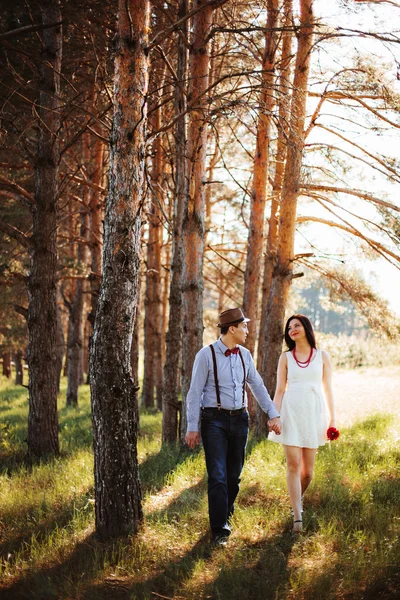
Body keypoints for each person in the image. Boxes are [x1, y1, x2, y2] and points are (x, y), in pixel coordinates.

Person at [185, 307, 282, 546]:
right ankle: (219, 530)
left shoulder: (245, 355)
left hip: (240, 420)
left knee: (233, 476)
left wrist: (273, 414)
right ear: (232, 329)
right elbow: (195, 392)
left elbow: (257, 386)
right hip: (213, 420)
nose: (247, 331)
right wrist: (191, 426)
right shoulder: (205, 355)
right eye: (244, 326)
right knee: (217, 476)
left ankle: (225, 515)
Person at [269, 314, 336, 534]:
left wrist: (332, 419)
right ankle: (297, 516)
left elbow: (328, 389)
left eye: (296, 325)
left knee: (308, 473)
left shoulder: (322, 356)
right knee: (293, 465)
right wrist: (274, 415)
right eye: (289, 328)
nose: (292, 330)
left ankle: (296, 499)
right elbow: (279, 390)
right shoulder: (285, 358)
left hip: (314, 412)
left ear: (307, 328)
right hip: (291, 412)